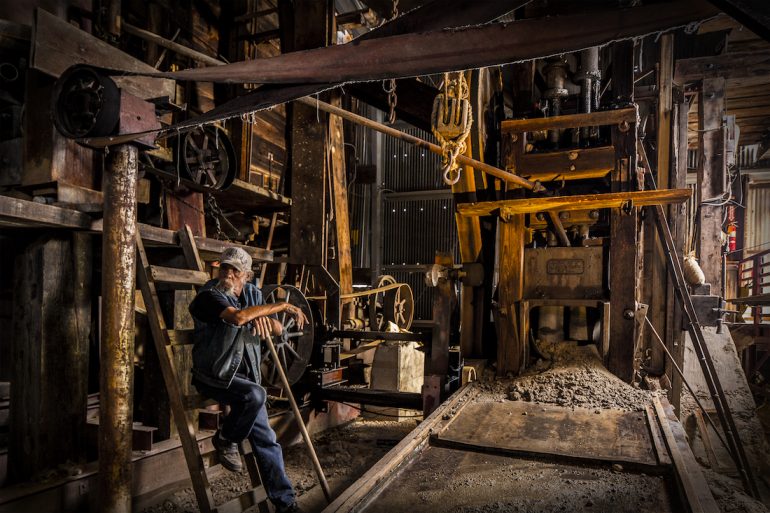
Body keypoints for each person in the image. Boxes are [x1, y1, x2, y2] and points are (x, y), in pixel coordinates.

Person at [188, 246, 308, 513]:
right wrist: (280, 306)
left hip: (246, 377)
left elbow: (277, 329)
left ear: (246, 275)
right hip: (215, 375)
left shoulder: (253, 293)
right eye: (224, 268)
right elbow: (237, 317)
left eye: (234, 270)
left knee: (267, 440)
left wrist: (266, 319)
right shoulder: (210, 295)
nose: (228, 273)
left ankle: (285, 503)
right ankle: (227, 438)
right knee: (256, 396)